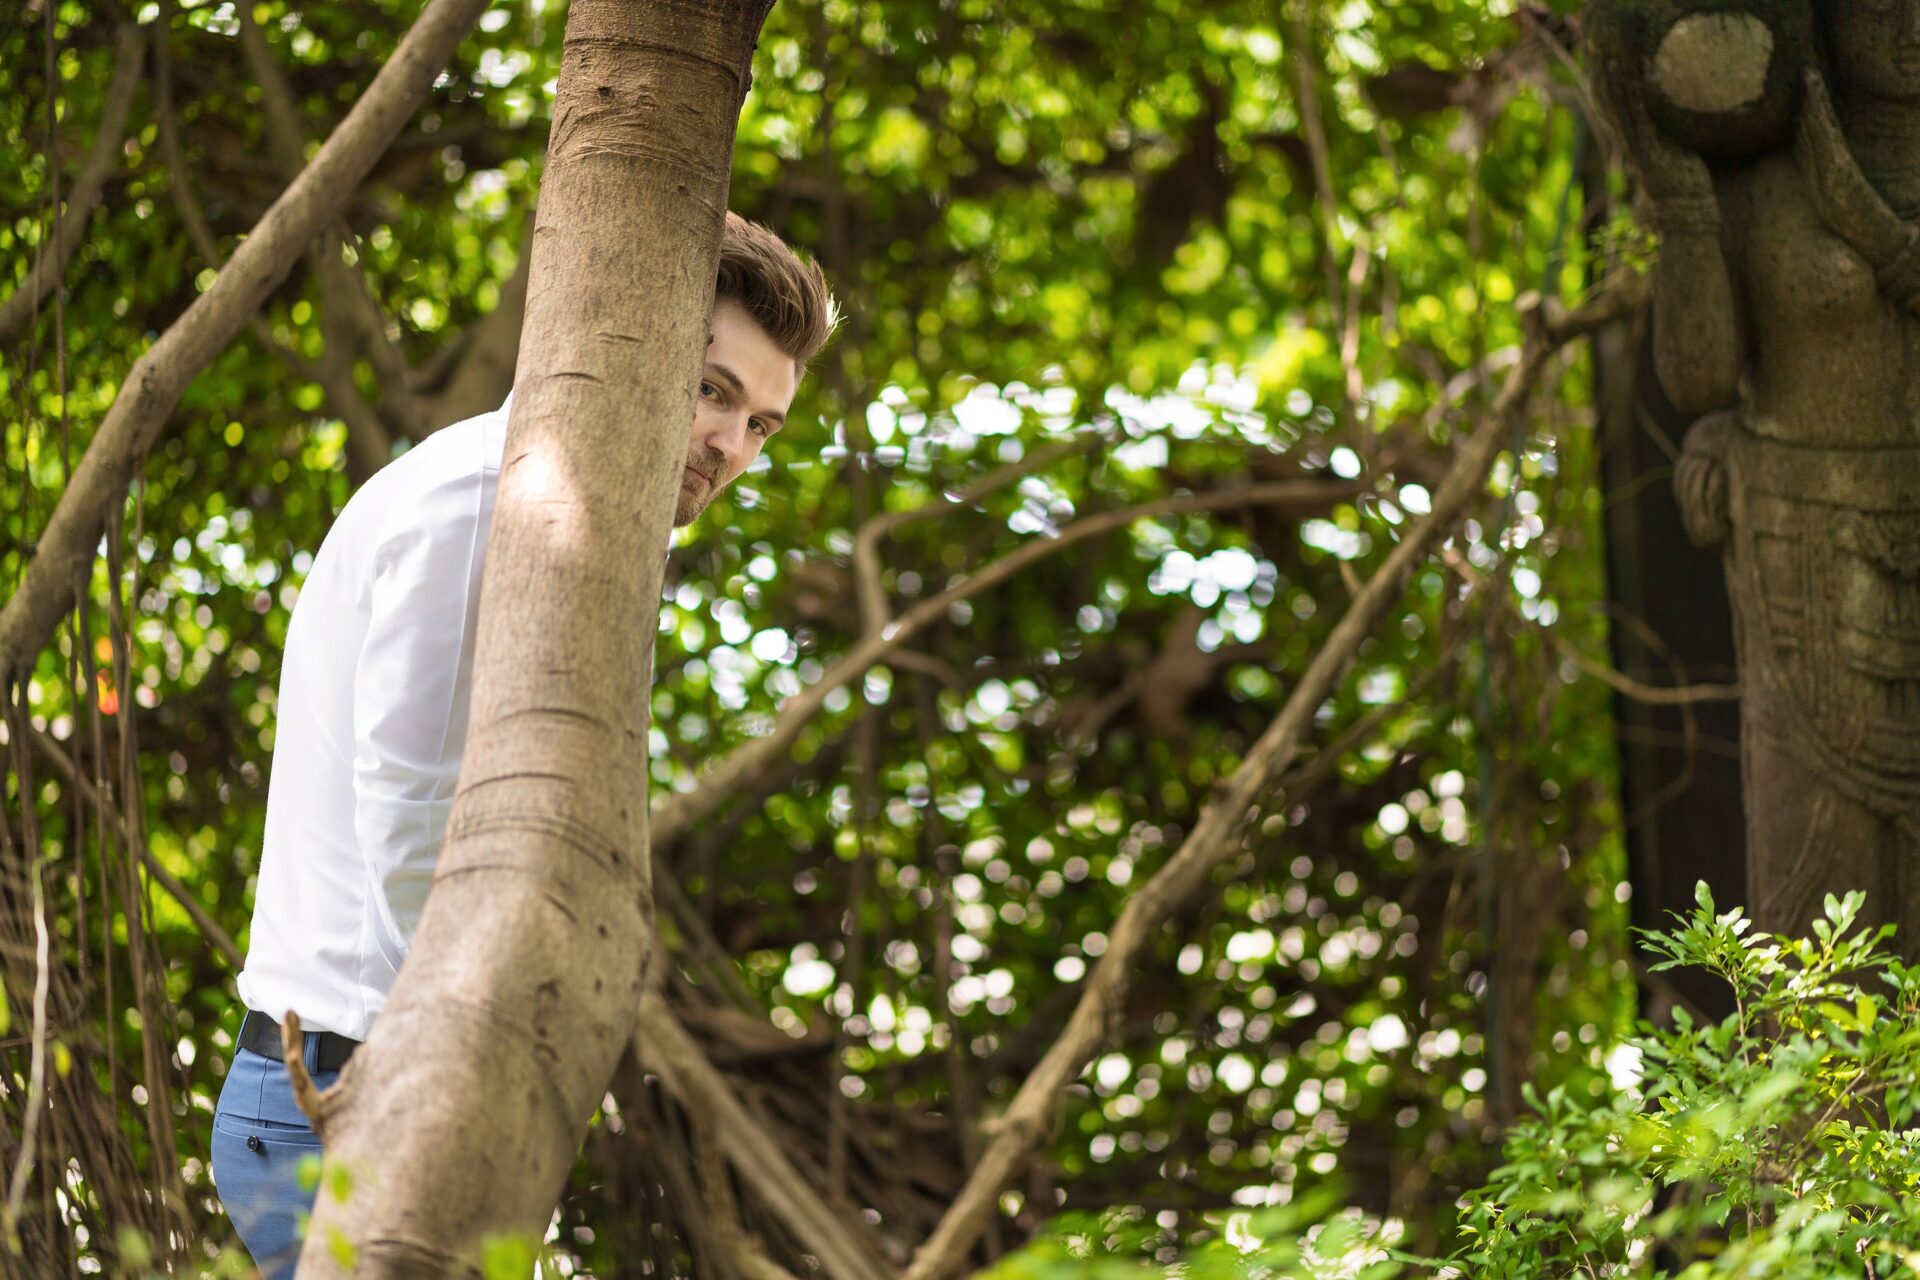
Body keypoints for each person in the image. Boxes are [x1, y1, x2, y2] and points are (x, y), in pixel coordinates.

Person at [209, 212, 838, 1278]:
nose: (733, 447)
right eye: (714, 391)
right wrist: (487, 1052)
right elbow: (409, 810)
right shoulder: (484, 500)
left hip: (386, 1073)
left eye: (763, 425)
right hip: (345, 1089)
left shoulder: (535, 499)